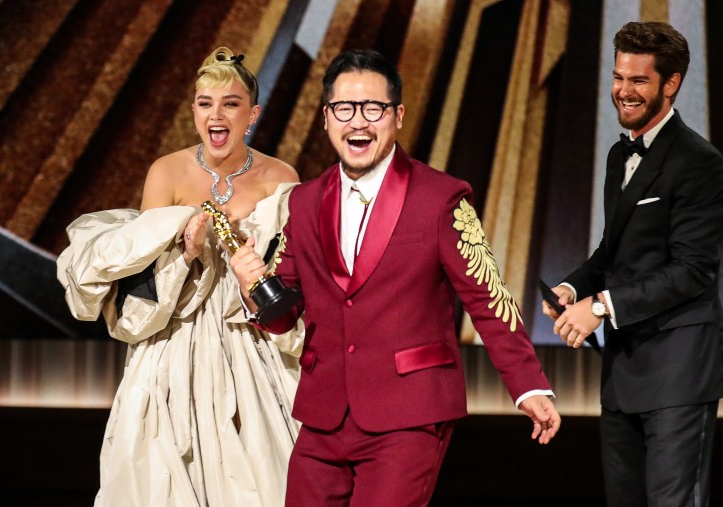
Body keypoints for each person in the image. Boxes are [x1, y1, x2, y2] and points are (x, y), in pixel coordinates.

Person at [231, 48, 560, 507]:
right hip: (323, 416)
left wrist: (529, 385)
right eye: (344, 108)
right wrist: (254, 286)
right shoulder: (303, 203)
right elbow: (285, 314)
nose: (358, 122)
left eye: (373, 108)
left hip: (409, 413)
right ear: (326, 118)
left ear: (398, 115)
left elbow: (488, 298)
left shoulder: (441, 197)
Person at [57, 47, 302, 507]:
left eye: (230, 103)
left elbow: (294, 274)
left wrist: (254, 271)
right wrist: (186, 253)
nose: (217, 113)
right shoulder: (166, 171)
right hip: (175, 339)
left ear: (252, 113)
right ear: (193, 111)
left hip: (251, 341)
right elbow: (141, 272)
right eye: (205, 102)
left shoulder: (280, 178)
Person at [542, 21, 723, 506]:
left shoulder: (700, 162)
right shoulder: (617, 156)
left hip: (678, 374)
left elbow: (693, 270)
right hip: (623, 375)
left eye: (639, 80)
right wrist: (571, 287)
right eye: (619, 77)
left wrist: (599, 307)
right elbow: (613, 250)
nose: (624, 91)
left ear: (671, 83)